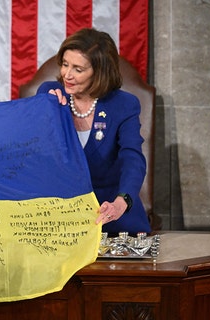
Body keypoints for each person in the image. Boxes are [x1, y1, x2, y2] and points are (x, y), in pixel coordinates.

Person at [36, 28, 151, 235]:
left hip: (109, 214)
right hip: (60, 218)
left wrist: (121, 201)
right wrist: (46, 109)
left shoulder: (123, 105)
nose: (67, 75)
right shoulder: (49, 94)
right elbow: (35, 150)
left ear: (99, 72)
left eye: (78, 69)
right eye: (65, 64)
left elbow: (132, 157)